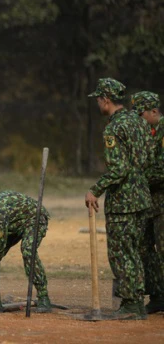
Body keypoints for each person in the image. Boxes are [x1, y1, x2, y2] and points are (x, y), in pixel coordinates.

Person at [85, 78, 151, 320]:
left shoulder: (113, 128)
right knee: (134, 251)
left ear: (106, 99)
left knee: (121, 253)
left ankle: (131, 304)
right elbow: (147, 159)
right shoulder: (139, 122)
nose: (98, 104)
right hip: (142, 197)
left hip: (123, 201)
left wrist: (95, 190)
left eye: (99, 99)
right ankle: (136, 301)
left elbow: (118, 169)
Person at [130, 91, 164, 314]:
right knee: (144, 249)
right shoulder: (147, 132)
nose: (139, 118)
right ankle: (158, 295)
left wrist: (137, 179)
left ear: (154, 111)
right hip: (148, 202)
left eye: (141, 114)